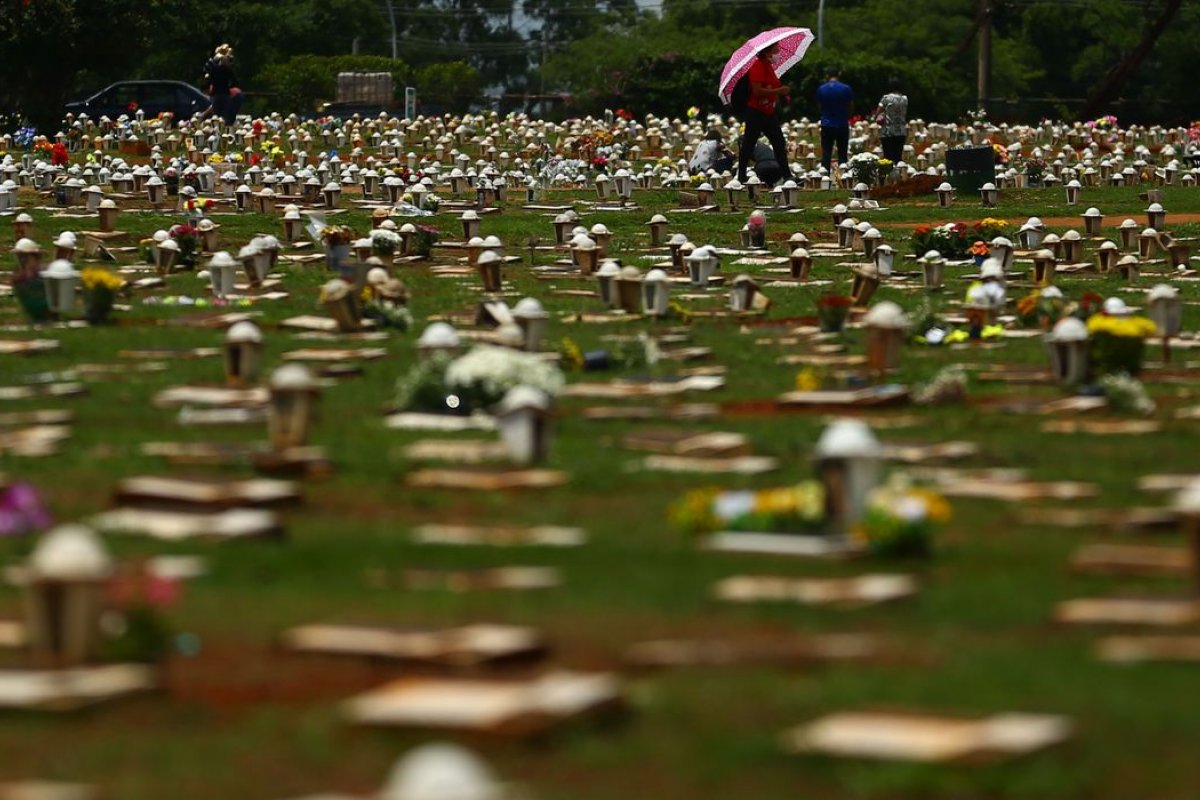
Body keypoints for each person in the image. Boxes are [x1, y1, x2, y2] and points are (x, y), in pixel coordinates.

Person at [735, 42, 794, 185]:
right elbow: (757, 91)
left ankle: (787, 175)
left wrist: (781, 93)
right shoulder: (757, 66)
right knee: (749, 143)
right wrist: (778, 91)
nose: (778, 53)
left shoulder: (768, 66)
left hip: (768, 112)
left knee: (779, 142)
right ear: (767, 52)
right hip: (756, 112)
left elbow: (772, 84)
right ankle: (741, 176)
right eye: (776, 50)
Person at [816, 66, 854, 172]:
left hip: (826, 124)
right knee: (842, 153)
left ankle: (825, 175)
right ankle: (843, 176)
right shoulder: (846, 88)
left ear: (827, 75)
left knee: (826, 153)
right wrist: (846, 115)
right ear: (839, 74)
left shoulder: (821, 89)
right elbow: (851, 106)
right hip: (842, 123)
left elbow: (820, 107)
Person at [202, 44, 244, 125]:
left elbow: (207, 76)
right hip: (224, 94)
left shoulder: (213, 68)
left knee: (217, 117)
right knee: (223, 118)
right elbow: (235, 82)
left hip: (216, 94)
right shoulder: (226, 69)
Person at [874, 76, 909, 163]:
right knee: (898, 157)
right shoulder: (905, 99)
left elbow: (878, 113)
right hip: (901, 131)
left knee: (888, 158)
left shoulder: (886, 98)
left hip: (888, 131)